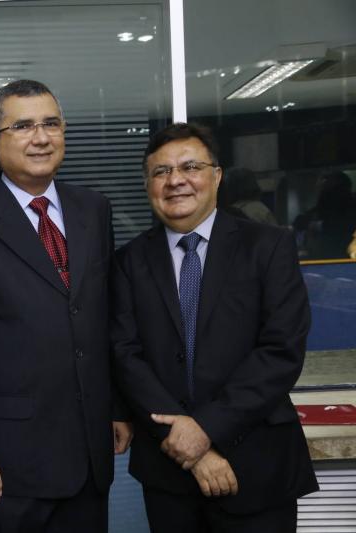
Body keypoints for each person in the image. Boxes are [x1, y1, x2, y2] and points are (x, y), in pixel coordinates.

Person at [0, 79, 132, 533]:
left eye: (51, 124)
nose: (40, 137)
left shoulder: (94, 210)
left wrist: (117, 407)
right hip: (10, 461)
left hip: (89, 449)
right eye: (22, 126)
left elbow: (106, 319)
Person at [112, 122, 318, 532]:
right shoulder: (128, 262)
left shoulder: (268, 246)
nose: (176, 180)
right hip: (168, 473)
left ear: (217, 176)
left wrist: (206, 429)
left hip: (257, 465)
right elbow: (125, 355)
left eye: (190, 167)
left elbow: (281, 351)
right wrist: (192, 447)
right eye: (161, 171)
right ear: (148, 185)